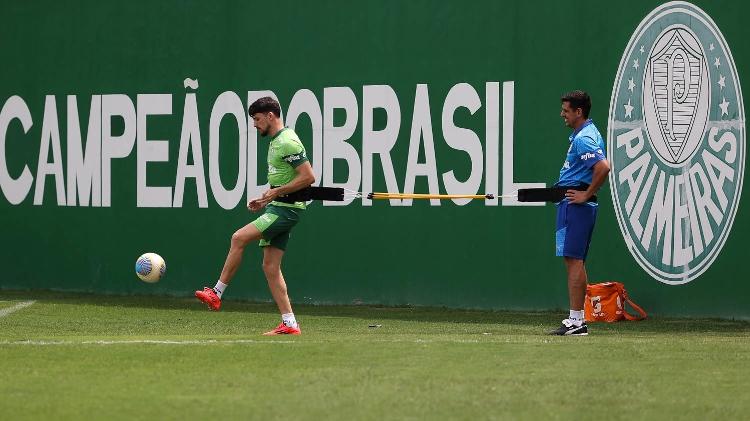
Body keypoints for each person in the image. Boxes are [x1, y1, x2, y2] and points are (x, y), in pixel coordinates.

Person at [195, 96, 315, 335]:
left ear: (271, 116)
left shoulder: (288, 141)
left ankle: (216, 293)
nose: (255, 125)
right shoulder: (275, 141)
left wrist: (276, 193)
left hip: (287, 210)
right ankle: (290, 324)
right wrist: (265, 199)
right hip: (278, 207)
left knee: (238, 238)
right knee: (270, 267)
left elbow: (308, 177)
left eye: (257, 119)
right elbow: (283, 180)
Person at [549, 90, 610, 336]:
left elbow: (603, 168)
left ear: (578, 111)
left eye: (566, 110)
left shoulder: (584, 138)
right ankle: (577, 320)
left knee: (574, 260)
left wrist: (585, 195)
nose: (562, 114)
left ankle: (576, 322)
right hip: (572, 205)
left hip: (577, 206)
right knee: (574, 260)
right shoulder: (583, 135)